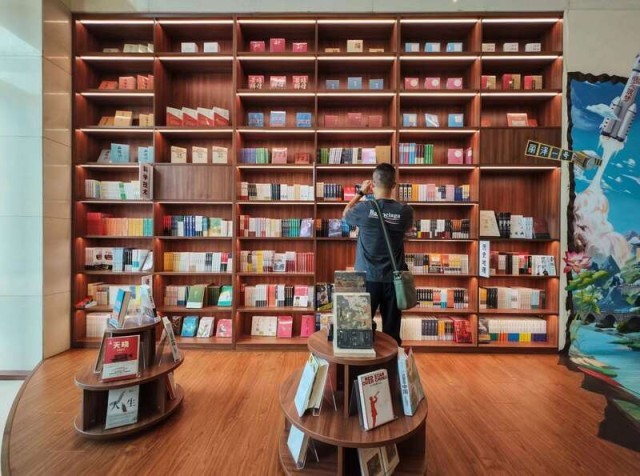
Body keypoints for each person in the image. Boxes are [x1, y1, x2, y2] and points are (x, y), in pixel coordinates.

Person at [343, 163, 414, 345]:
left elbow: (345, 214)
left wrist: (360, 193)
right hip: (394, 280)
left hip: (366, 278)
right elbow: (406, 229)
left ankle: (365, 361)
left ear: (372, 185)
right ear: (394, 185)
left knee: (361, 329)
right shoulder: (405, 211)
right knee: (392, 333)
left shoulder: (363, 209)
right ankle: (391, 362)